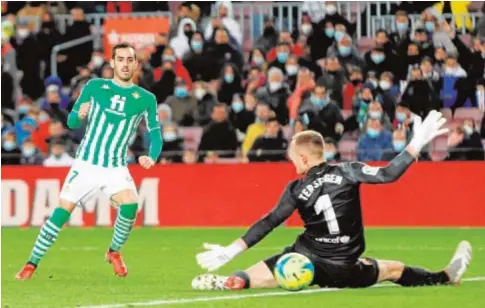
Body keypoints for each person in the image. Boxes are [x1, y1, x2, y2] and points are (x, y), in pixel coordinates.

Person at [192, 111, 472, 292]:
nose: (291, 161)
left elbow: (270, 221)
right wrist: (415, 144)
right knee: (394, 269)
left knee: (266, 270)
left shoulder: (295, 188)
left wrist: (230, 250)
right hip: (344, 267)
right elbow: (388, 174)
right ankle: (445, 276)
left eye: (292, 156)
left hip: (303, 258)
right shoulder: (349, 170)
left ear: (303, 158)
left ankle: (237, 278)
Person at [16, 42, 163, 280]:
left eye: (130, 60)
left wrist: (152, 155)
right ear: (112, 63)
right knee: (62, 213)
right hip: (86, 163)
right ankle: (31, 263)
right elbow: (72, 122)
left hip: (115, 165)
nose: (125, 64)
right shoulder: (95, 86)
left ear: (136, 64)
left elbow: (155, 132)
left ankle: (114, 252)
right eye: (121, 59)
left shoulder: (146, 98)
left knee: (130, 204)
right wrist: (78, 114)